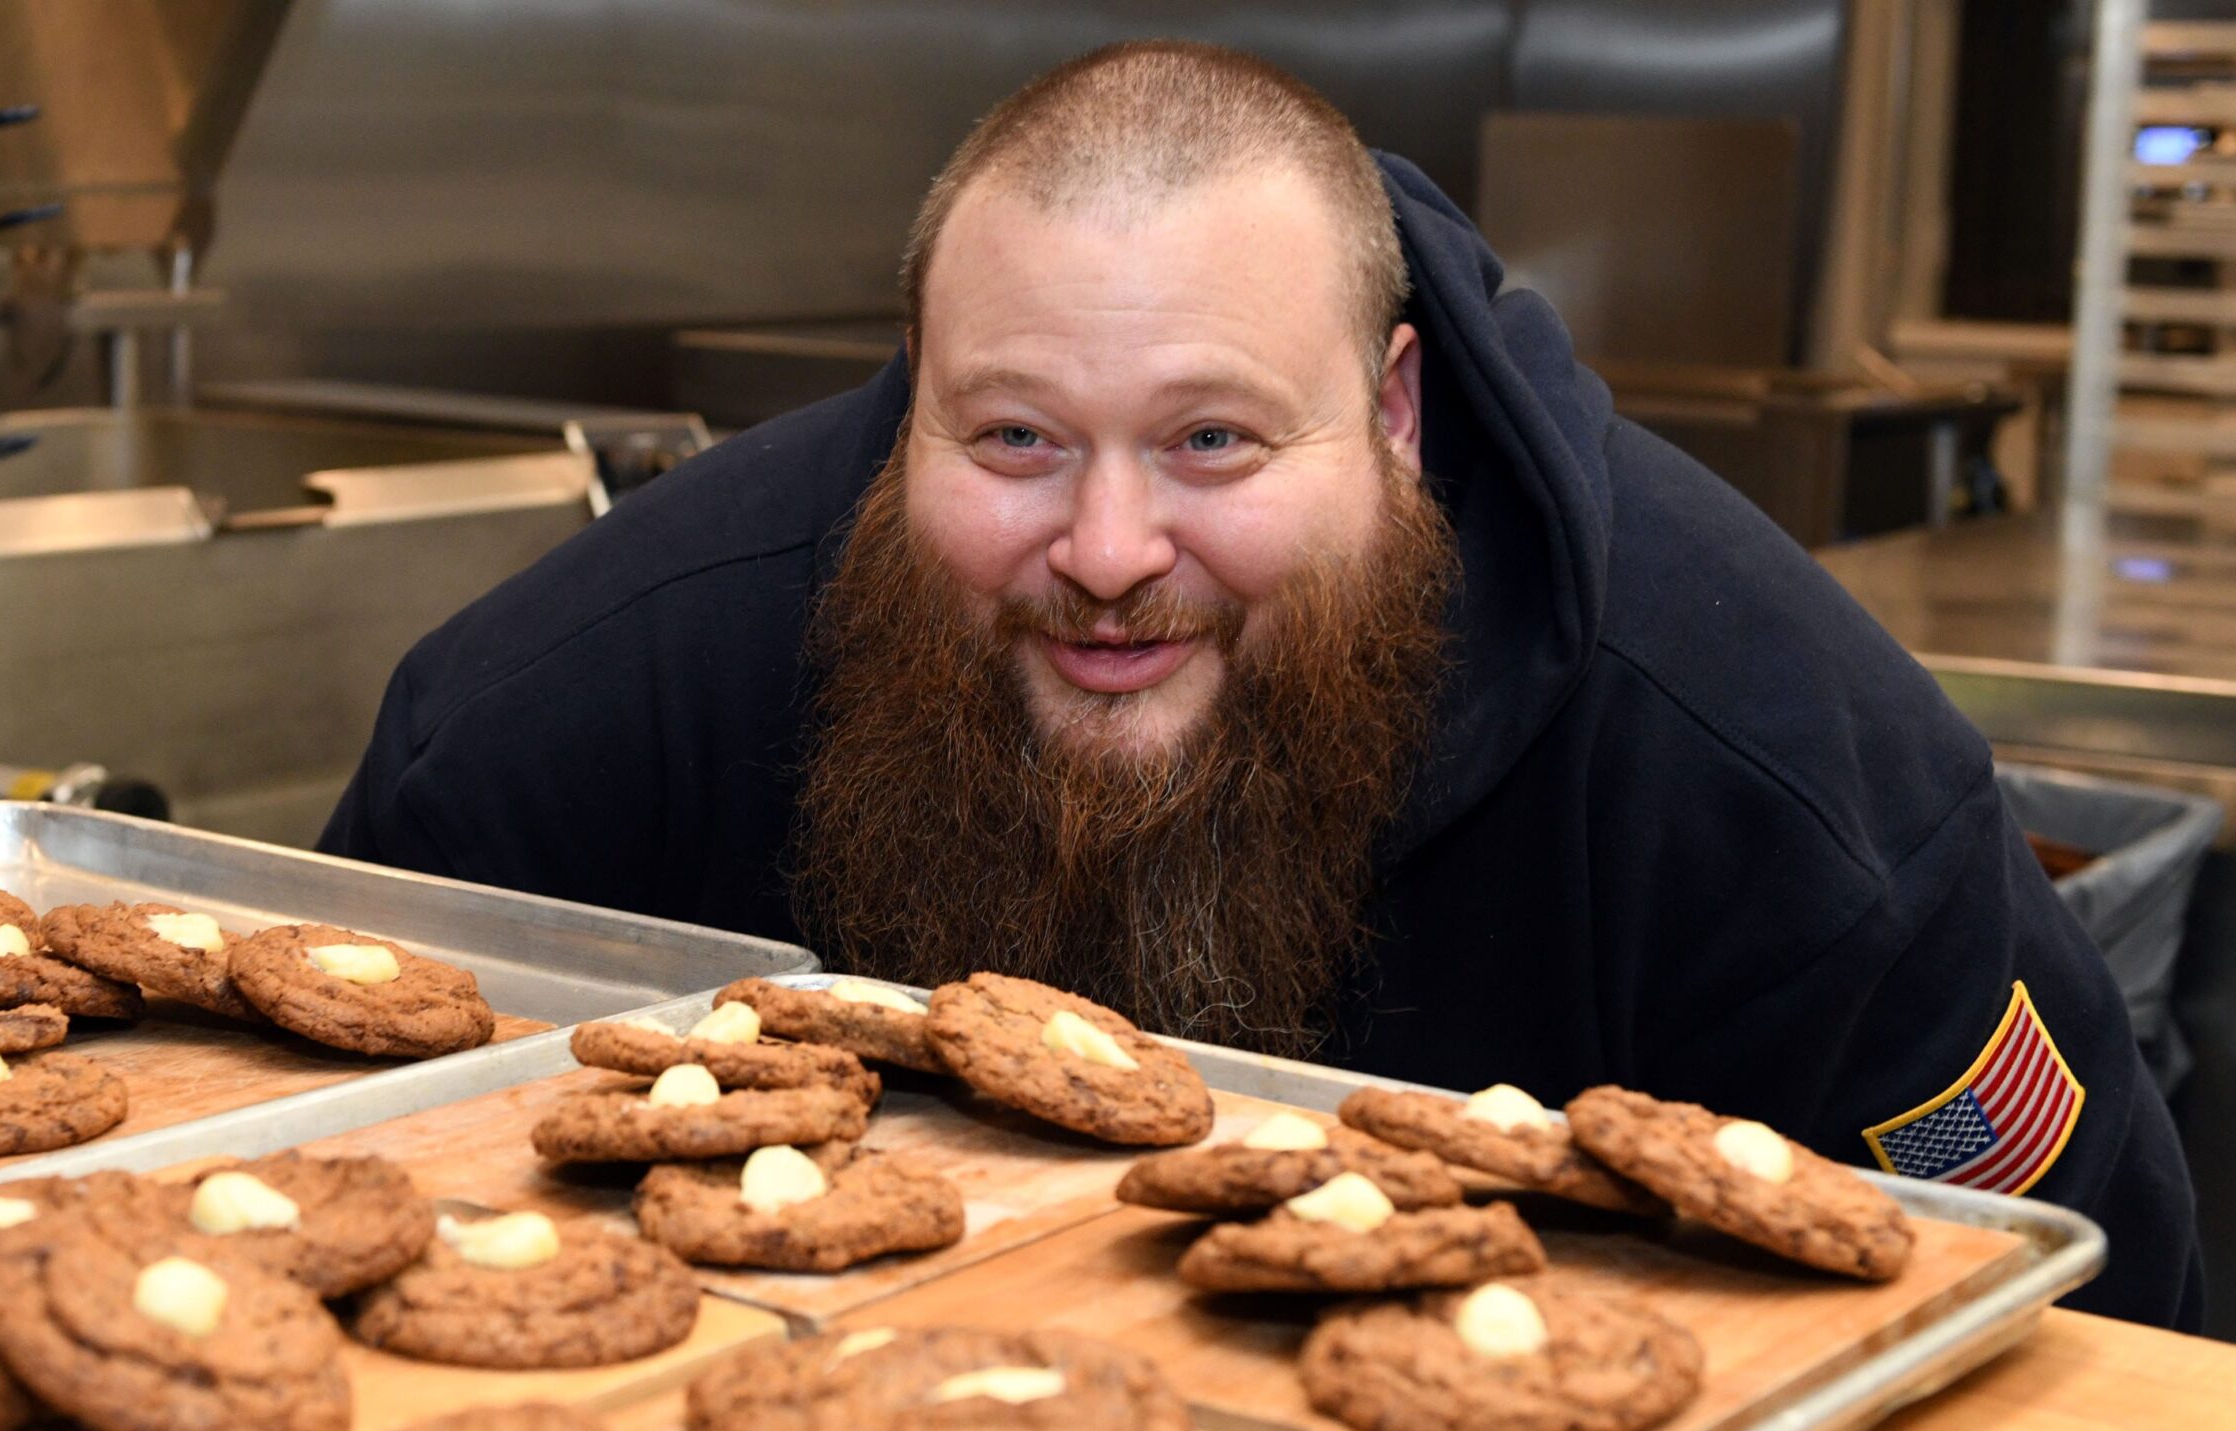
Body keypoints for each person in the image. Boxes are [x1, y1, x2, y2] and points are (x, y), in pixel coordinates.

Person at [323, 41, 2200, 1327]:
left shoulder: (1775, 780)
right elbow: (336, 1199)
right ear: (914, 392)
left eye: (1214, 437)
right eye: (1017, 437)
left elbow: (2105, 1328)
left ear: (1391, 413)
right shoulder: (564, 714)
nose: (1113, 545)